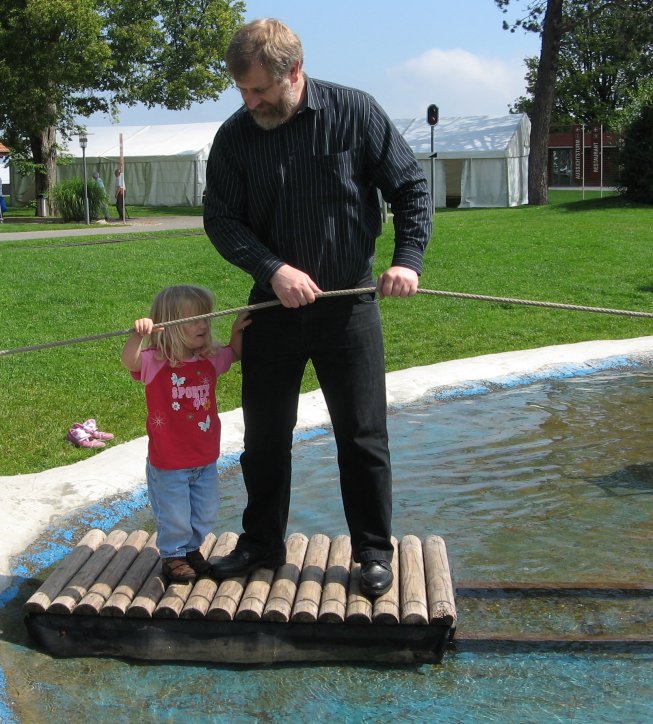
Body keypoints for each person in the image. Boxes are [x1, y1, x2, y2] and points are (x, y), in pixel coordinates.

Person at [203, 19, 432, 598]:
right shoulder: (235, 137)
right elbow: (221, 219)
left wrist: (408, 259)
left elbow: (410, 186)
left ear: (294, 72)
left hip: (349, 304)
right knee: (265, 436)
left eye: (260, 91)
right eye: (243, 92)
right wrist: (273, 270)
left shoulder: (356, 113)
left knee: (362, 436)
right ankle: (261, 543)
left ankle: (373, 552)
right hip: (271, 309)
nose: (250, 102)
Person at [121, 285, 250, 583]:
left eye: (205, 318)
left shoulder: (208, 358)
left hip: (204, 457)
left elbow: (233, 356)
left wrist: (235, 333)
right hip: (169, 461)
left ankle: (191, 549)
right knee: (175, 514)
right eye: (194, 320)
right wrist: (138, 335)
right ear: (169, 326)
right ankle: (173, 556)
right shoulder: (155, 361)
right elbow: (131, 361)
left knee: (205, 511)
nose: (203, 325)